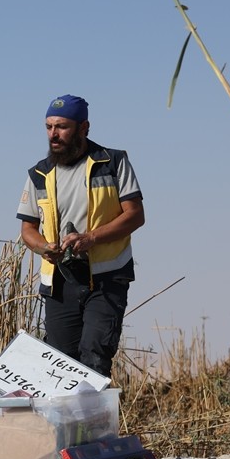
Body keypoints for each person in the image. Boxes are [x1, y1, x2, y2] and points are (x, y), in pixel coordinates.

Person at [17, 95, 145, 378]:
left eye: (62, 127)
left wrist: (91, 238)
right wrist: (44, 248)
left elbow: (135, 215)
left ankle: (94, 409)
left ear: (83, 128)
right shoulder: (39, 173)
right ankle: (70, 411)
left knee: (94, 357)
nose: (53, 134)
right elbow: (28, 230)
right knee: (61, 365)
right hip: (60, 282)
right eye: (49, 127)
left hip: (106, 279)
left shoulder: (113, 162)